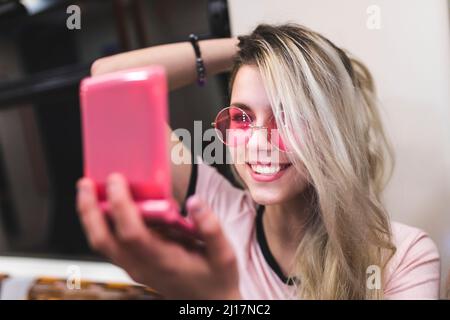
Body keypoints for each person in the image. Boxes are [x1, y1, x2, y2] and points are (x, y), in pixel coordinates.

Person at [76, 23, 440, 299]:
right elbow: (110, 80)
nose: (259, 142)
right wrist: (249, 47)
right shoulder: (218, 211)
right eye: (242, 117)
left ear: (332, 132)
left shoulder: (403, 258)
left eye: (288, 117)